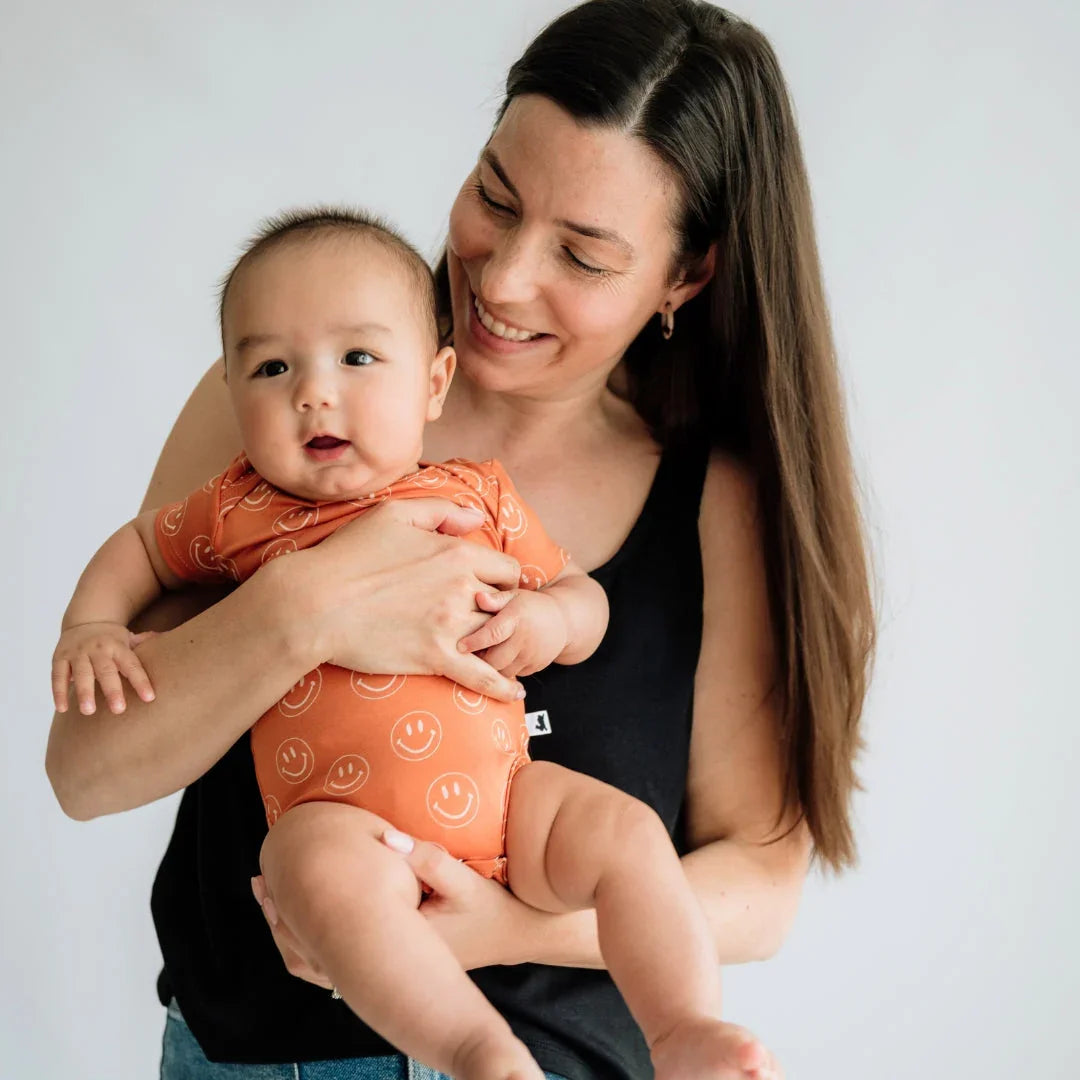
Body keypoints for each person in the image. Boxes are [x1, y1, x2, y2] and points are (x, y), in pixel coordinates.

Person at [45, 2, 874, 1079]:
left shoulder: (714, 502)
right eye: (496, 196)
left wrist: (494, 926)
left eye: (583, 254)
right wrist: (311, 607)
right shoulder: (290, 399)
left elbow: (760, 888)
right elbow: (87, 770)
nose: (502, 277)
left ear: (686, 277)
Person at [50, 206, 765, 1080]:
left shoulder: (478, 496)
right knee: (308, 869)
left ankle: (684, 1026)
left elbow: (577, 595)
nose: (315, 392)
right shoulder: (239, 509)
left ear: (433, 384)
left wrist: (555, 622)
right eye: (273, 367)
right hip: (342, 824)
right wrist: (91, 625)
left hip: (508, 804)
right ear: (234, 395)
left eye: (357, 358)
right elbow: (140, 549)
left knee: (624, 835)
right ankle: (476, 1050)